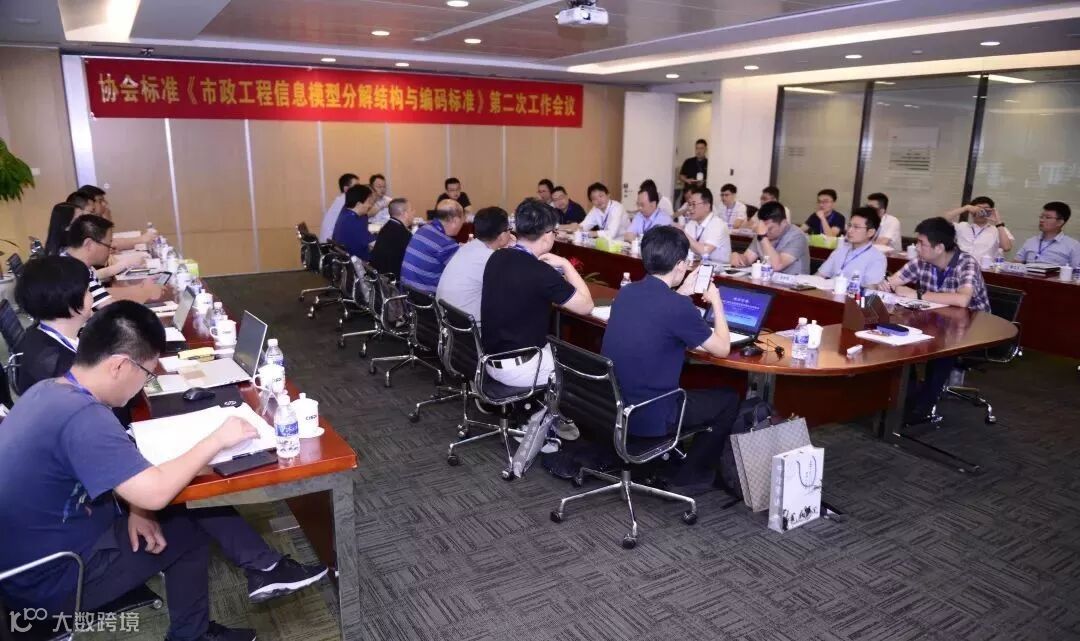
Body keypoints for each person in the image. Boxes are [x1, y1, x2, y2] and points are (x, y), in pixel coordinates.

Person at [601, 226, 738, 486]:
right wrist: (717, 302)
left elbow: (659, 310)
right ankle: (690, 477)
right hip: (651, 414)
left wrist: (681, 291)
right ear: (680, 264)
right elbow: (722, 348)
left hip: (615, 407)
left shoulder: (627, 292)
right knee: (729, 399)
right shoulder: (679, 307)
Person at [878, 217, 990, 421]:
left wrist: (917, 294)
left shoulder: (966, 263)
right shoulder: (922, 261)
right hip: (935, 324)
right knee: (899, 340)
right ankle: (905, 398)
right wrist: (886, 285)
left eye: (921, 243)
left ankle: (922, 409)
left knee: (942, 351)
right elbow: (892, 282)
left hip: (972, 330)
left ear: (939, 248)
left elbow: (963, 299)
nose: (916, 247)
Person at [480, 199, 593, 389]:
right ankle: (544, 409)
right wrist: (566, 264)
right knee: (585, 372)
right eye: (555, 232)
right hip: (521, 369)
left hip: (489, 360)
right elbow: (586, 306)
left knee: (556, 349)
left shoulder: (497, 256)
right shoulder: (541, 272)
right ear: (547, 235)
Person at [12, 256, 92, 395]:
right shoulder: (60, 369)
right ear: (70, 302)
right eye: (87, 291)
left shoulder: (38, 332)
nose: (91, 296)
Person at [62, 215, 161, 308]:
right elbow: (110, 309)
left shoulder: (66, 261)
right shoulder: (76, 274)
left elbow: (103, 294)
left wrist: (139, 288)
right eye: (108, 245)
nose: (111, 250)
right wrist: (145, 293)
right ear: (89, 245)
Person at [436, 207, 514, 323]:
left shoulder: (468, 247)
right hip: (469, 326)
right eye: (509, 229)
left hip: (447, 320)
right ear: (502, 236)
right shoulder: (490, 258)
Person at [401, 199, 465, 294]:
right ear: (455, 220)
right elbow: (464, 272)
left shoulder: (423, 229)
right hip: (425, 297)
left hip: (407, 292)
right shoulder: (446, 244)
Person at [730, 201, 810, 274]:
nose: (765, 231)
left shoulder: (797, 237)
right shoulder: (762, 232)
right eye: (763, 227)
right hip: (768, 281)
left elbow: (777, 266)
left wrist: (763, 237)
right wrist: (738, 256)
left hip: (795, 284)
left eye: (770, 228)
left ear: (783, 223)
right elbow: (747, 259)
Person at [816, 206, 888, 285]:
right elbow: (819, 275)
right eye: (849, 225)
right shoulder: (841, 250)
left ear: (870, 232)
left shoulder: (877, 258)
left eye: (856, 227)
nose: (850, 230)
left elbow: (871, 288)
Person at [945, 196, 1014, 263]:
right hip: (960, 266)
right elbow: (942, 220)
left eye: (986, 209)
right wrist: (966, 208)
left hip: (985, 268)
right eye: (979, 209)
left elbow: (1006, 247)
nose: (982, 212)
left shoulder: (999, 229)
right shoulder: (962, 226)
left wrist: (998, 221)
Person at [1015, 201, 1080, 267]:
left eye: (1048, 217)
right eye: (1041, 217)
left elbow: (1077, 271)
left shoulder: (1073, 245)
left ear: (1060, 222)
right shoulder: (1030, 241)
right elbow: (1015, 264)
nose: (1041, 220)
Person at [682, 186, 730, 264]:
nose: (690, 208)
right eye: (689, 204)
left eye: (694, 204)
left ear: (707, 206)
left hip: (719, 269)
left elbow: (704, 252)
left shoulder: (718, 224)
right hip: (696, 266)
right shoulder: (690, 224)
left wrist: (683, 233)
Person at [370, 198, 415, 278]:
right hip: (393, 281)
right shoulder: (403, 234)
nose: (414, 212)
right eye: (411, 210)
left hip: (380, 277)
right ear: (405, 214)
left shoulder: (387, 227)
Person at [332, 184, 376, 259]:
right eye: (368, 202)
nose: (370, 206)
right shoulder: (354, 222)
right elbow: (367, 245)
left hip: (343, 258)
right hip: (359, 261)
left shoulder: (345, 213)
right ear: (358, 204)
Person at [320, 173, 359, 242]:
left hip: (331, 239)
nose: (359, 189)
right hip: (331, 243)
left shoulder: (342, 199)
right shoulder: (346, 201)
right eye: (356, 187)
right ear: (346, 189)